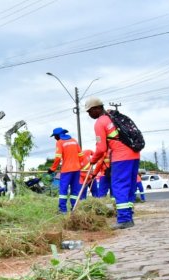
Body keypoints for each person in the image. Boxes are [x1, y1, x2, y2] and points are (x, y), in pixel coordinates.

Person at [84, 97, 140, 229]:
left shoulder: (100, 122)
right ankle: (129, 215)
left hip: (121, 157)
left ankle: (124, 219)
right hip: (134, 154)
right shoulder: (113, 116)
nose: (89, 114)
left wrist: (93, 160)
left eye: (90, 111)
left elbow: (102, 148)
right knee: (130, 185)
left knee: (119, 186)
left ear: (97, 108)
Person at [47, 128, 83, 212]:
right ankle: (74, 209)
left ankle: (62, 210)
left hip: (66, 170)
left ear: (58, 135)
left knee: (63, 190)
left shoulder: (60, 142)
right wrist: (78, 165)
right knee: (74, 190)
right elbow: (81, 156)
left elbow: (58, 157)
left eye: (54, 136)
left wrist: (52, 169)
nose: (54, 138)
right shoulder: (74, 141)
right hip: (77, 170)